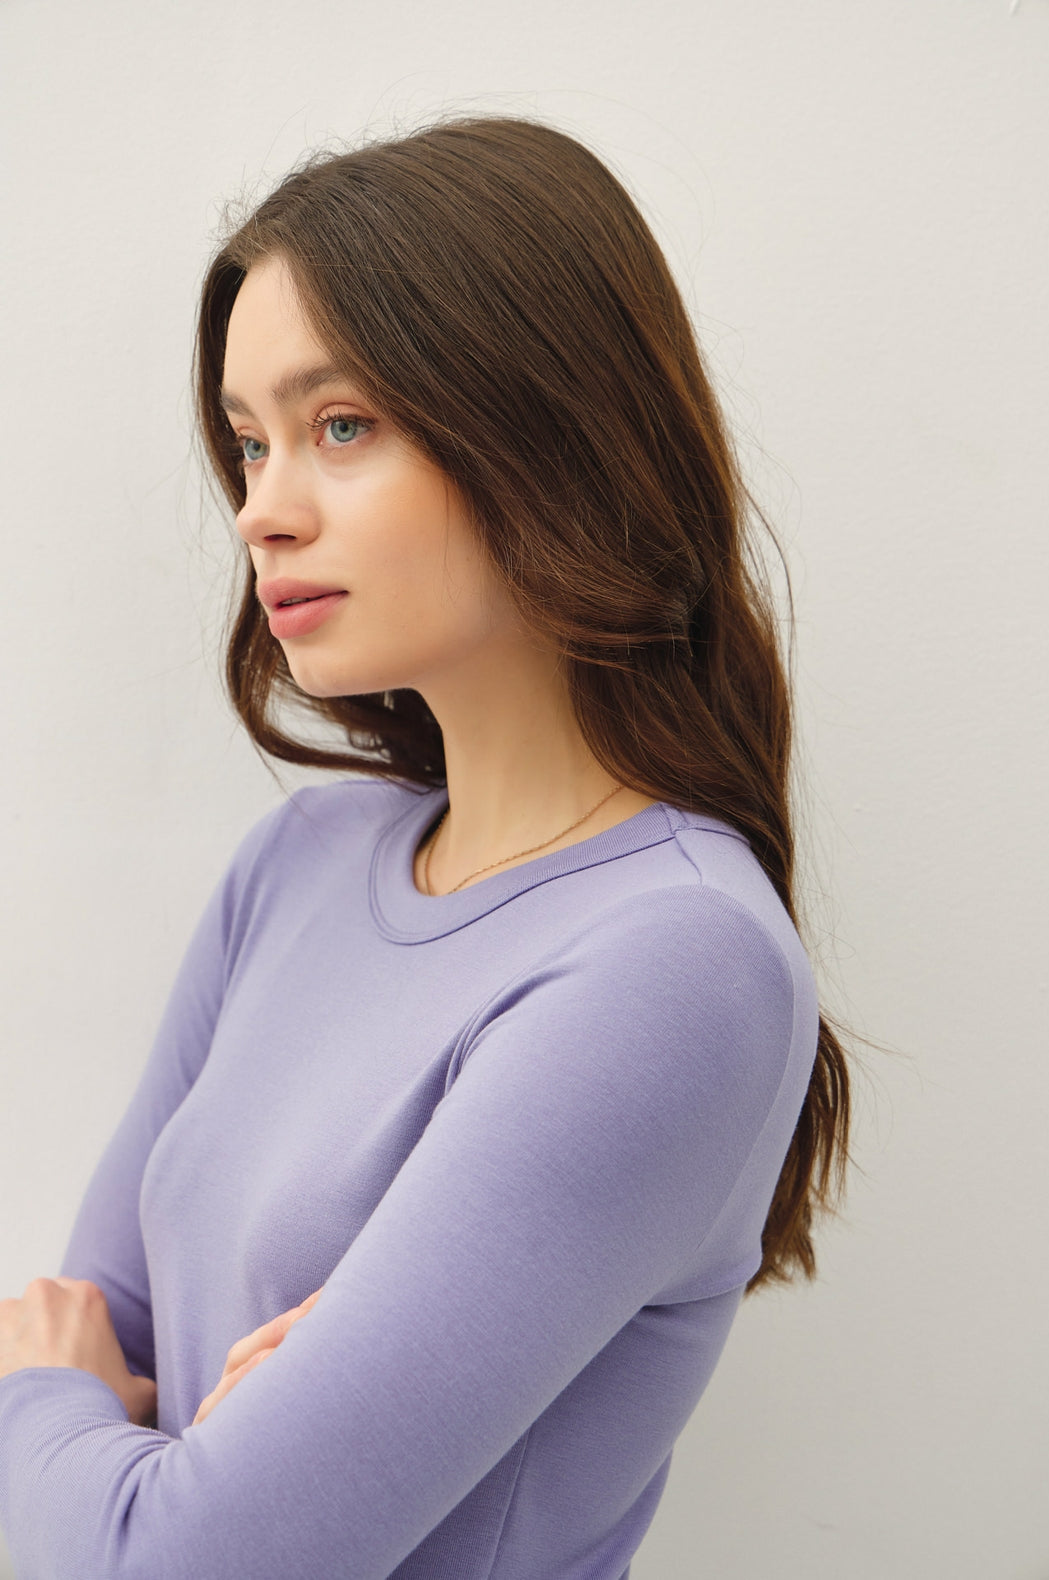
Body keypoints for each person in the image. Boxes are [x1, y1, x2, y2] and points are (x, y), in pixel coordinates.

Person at [0, 114, 851, 1577]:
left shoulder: (675, 963)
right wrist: (114, 1429)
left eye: (341, 426)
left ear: (547, 433)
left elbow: (167, 1553)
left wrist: (48, 1409)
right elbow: (95, 1336)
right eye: (249, 442)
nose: (262, 511)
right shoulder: (298, 865)